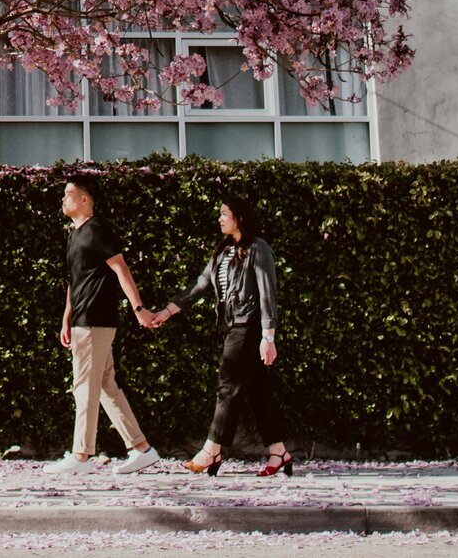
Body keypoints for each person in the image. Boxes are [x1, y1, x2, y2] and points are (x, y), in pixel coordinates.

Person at [140, 195, 290, 477]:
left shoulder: (259, 249)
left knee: (227, 386)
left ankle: (212, 450)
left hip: (249, 327)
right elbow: (199, 286)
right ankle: (279, 451)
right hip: (232, 327)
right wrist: (166, 312)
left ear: (239, 217)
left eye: (224, 213)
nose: (220, 218)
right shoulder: (222, 253)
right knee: (258, 393)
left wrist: (268, 337)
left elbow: (268, 294)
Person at [48, 179, 163, 475]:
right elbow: (75, 281)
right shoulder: (75, 235)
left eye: (68, 194)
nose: (63, 199)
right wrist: (66, 318)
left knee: (83, 386)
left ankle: (81, 456)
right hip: (82, 320)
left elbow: (120, 268)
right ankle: (142, 449)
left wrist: (138, 308)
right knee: (105, 385)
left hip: (96, 320)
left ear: (85, 200)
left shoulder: (97, 230)